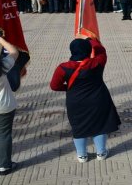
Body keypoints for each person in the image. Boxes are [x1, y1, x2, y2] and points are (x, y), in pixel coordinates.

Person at [49, 35, 121, 163]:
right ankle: (101, 153)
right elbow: (101, 50)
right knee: (100, 125)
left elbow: (54, 86)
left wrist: (68, 89)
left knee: (78, 126)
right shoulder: (98, 62)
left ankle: (82, 155)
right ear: (88, 50)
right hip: (98, 99)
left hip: (75, 101)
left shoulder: (63, 67)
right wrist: (91, 40)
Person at [0, 36, 20, 175]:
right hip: (4, 106)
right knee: (3, 135)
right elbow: (14, 52)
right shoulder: (3, 66)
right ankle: (4, 165)